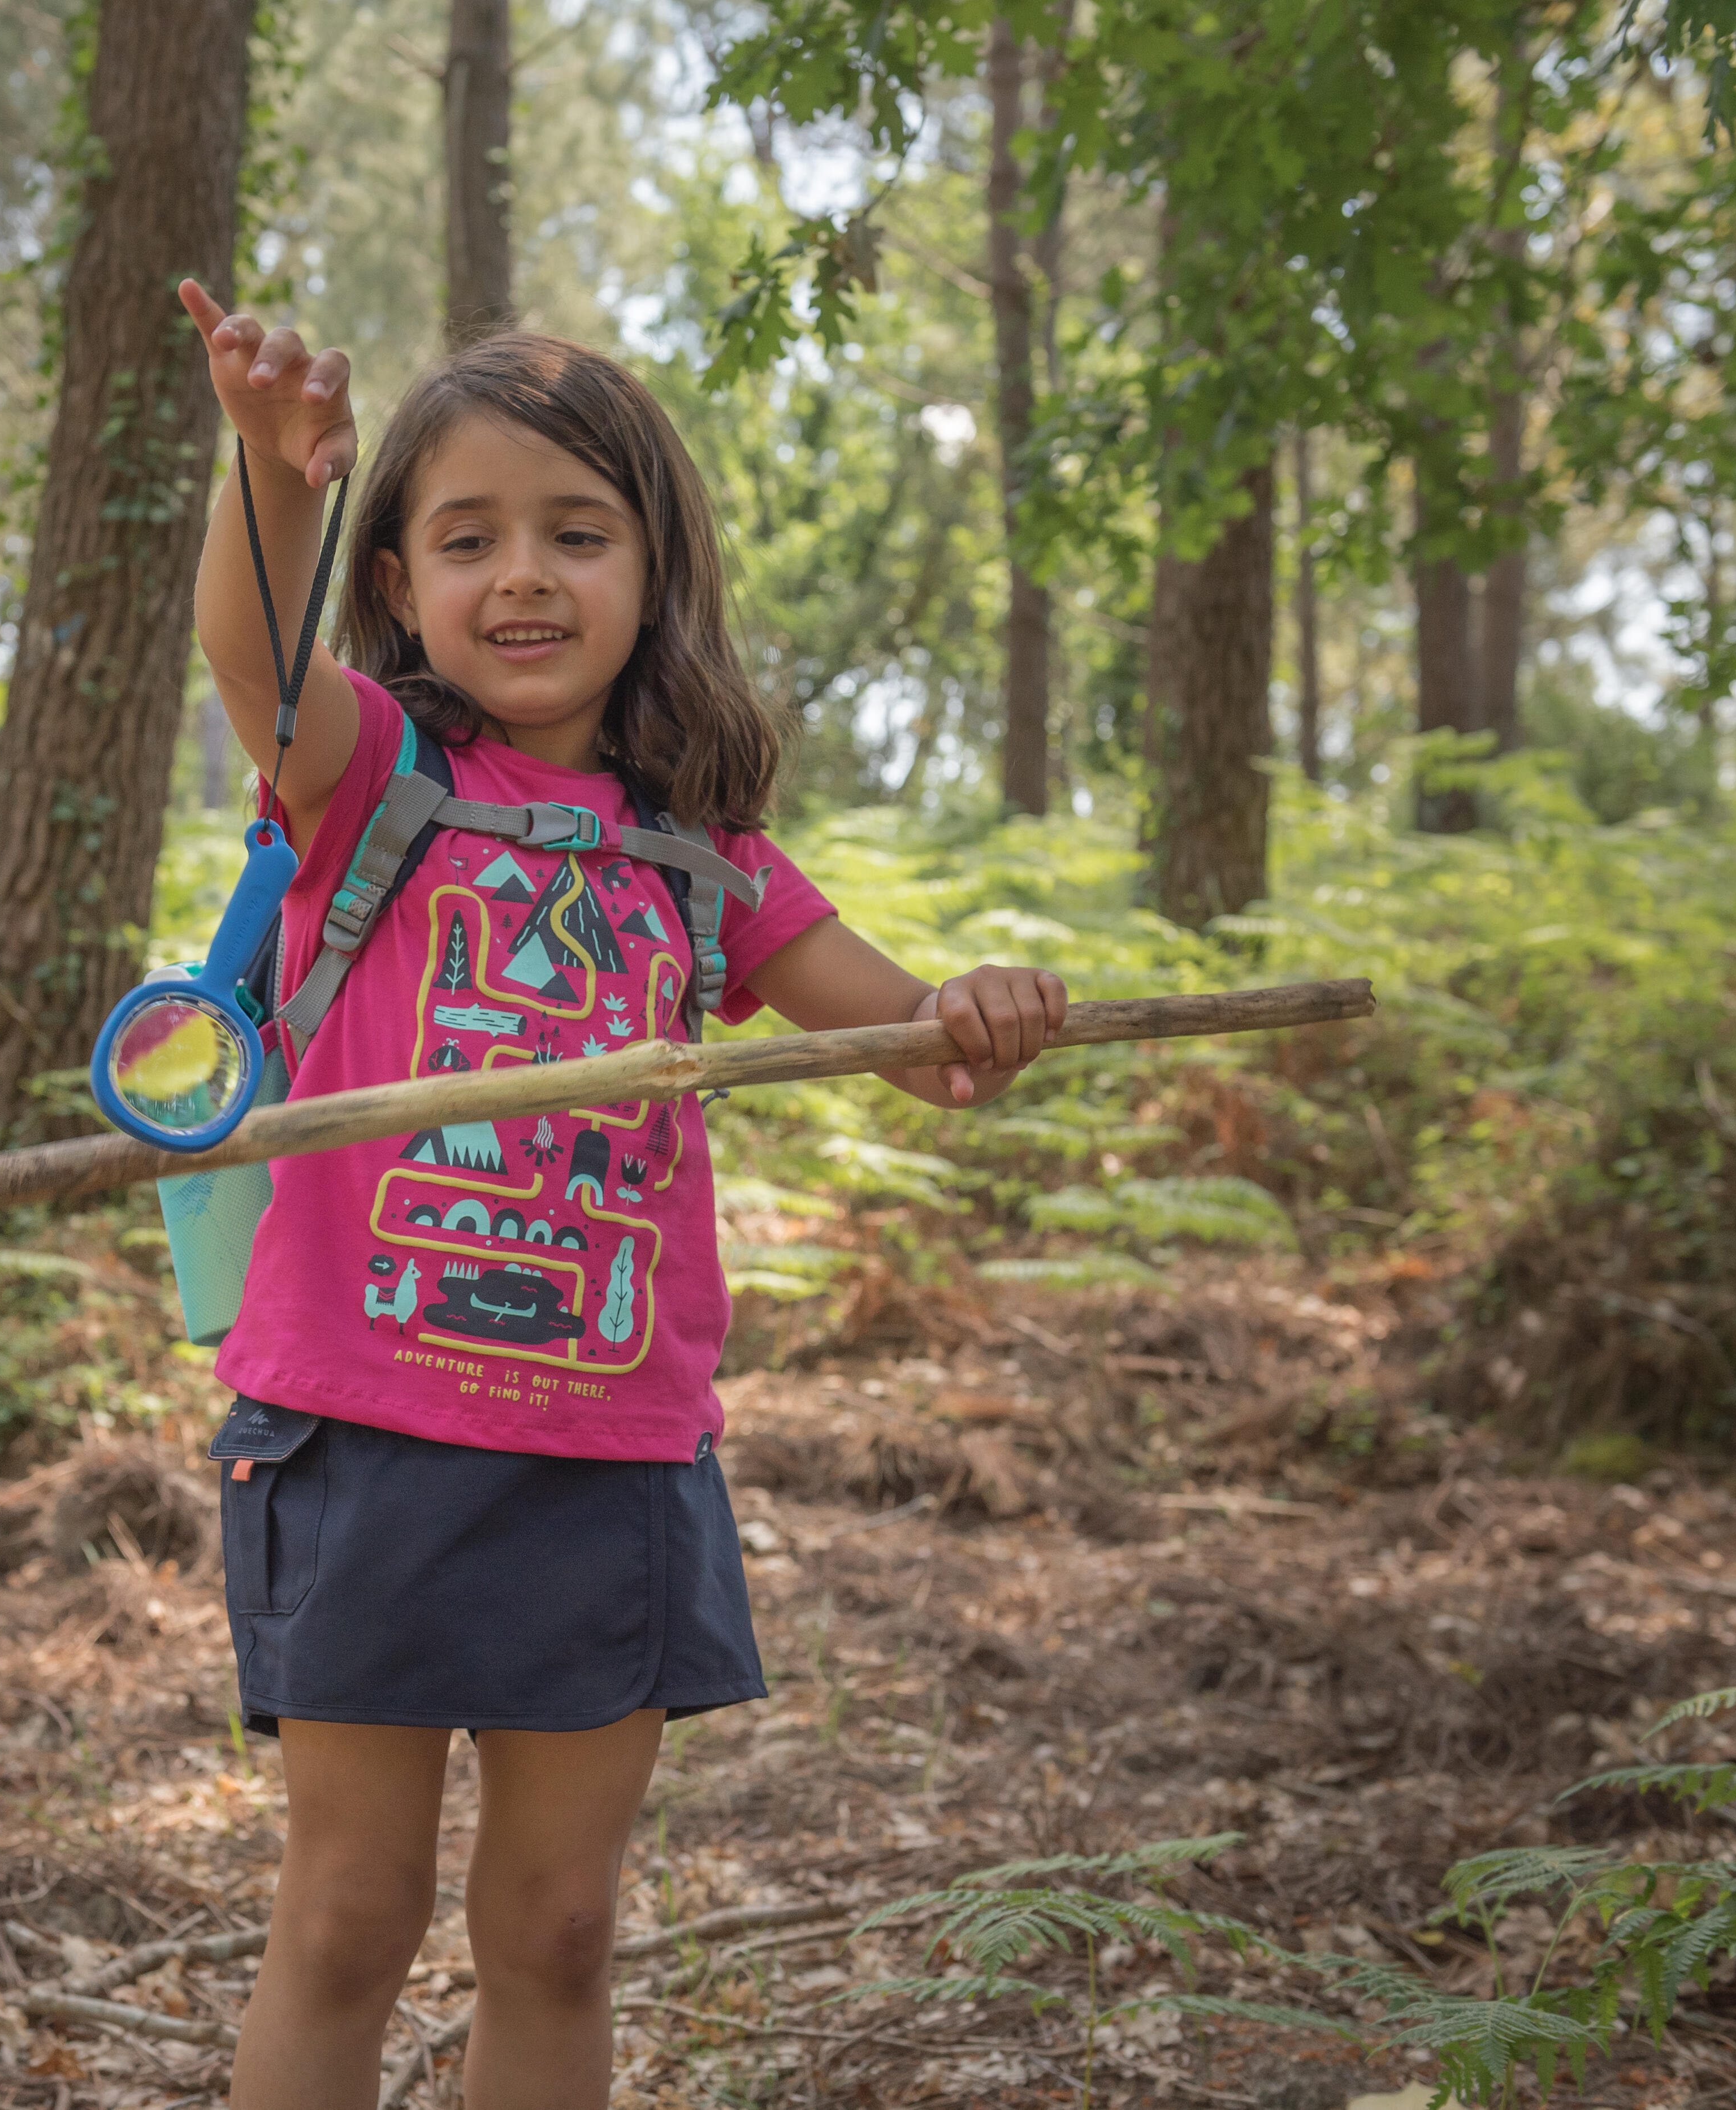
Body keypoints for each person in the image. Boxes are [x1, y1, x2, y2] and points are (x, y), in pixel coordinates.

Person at [176, 278, 1068, 2110]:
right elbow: (255, 663)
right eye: (469, 536)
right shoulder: (375, 784)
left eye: (578, 535)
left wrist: (974, 1009)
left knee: (563, 1925)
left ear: (652, 573)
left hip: (610, 1448)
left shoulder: (704, 855)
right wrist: (273, 471)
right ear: (402, 579)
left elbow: (913, 1039)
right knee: (349, 1912)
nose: (524, 576)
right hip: (361, 1428)